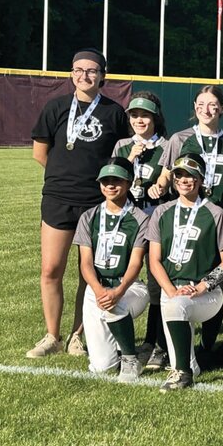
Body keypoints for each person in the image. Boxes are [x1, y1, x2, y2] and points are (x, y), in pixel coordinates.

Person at [29, 47, 130, 358]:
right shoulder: (56, 107)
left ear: (102, 76)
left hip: (95, 202)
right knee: (50, 269)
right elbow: (39, 152)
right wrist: (64, 177)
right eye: (79, 70)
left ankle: (76, 335)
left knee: (90, 272)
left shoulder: (114, 113)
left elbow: (121, 157)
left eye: (92, 71)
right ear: (71, 74)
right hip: (59, 198)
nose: (85, 75)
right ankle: (52, 335)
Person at [149, 85, 223, 356]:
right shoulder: (180, 138)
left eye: (213, 104)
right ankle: (164, 345)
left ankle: (207, 346)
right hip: (185, 209)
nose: (206, 109)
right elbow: (166, 175)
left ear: (222, 108)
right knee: (172, 273)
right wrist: (158, 187)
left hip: (217, 214)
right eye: (201, 103)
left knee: (215, 279)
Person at [146, 154, 223, 392]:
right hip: (171, 288)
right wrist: (172, 290)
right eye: (179, 175)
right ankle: (213, 358)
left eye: (191, 175)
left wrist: (202, 286)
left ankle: (182, 375)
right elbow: (154, 261)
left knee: (176, 312)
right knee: (190, 358)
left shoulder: (215, 212)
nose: (184, 180)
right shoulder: (162, 212)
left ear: (201, 179)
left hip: (205, 293)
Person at [73, 158, 150, 382]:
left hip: (129, 287)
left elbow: (136, 263)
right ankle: (117, 342)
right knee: (102, 367)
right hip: (96, 288)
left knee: (116, 306)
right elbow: (85, 262)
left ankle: (130, 358)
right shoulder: (89, 216)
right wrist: (98, 290)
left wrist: (118, 291)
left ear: (127, 183)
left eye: (116, 180)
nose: (110, 185)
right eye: (105, 181)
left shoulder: (140, 218)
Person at [112, 92, 171, 369]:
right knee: (119, 274)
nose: (139, 120)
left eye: (145, 115)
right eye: (134, 115)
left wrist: (162, 183)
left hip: (155, 218)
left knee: (156, 281)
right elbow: (115, 184)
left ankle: (156, 342)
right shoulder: (123, 145)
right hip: (129, 220)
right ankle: (118, 339)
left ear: (155, 118)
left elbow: (168, 184)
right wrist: (130, 160)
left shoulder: (167, 145)